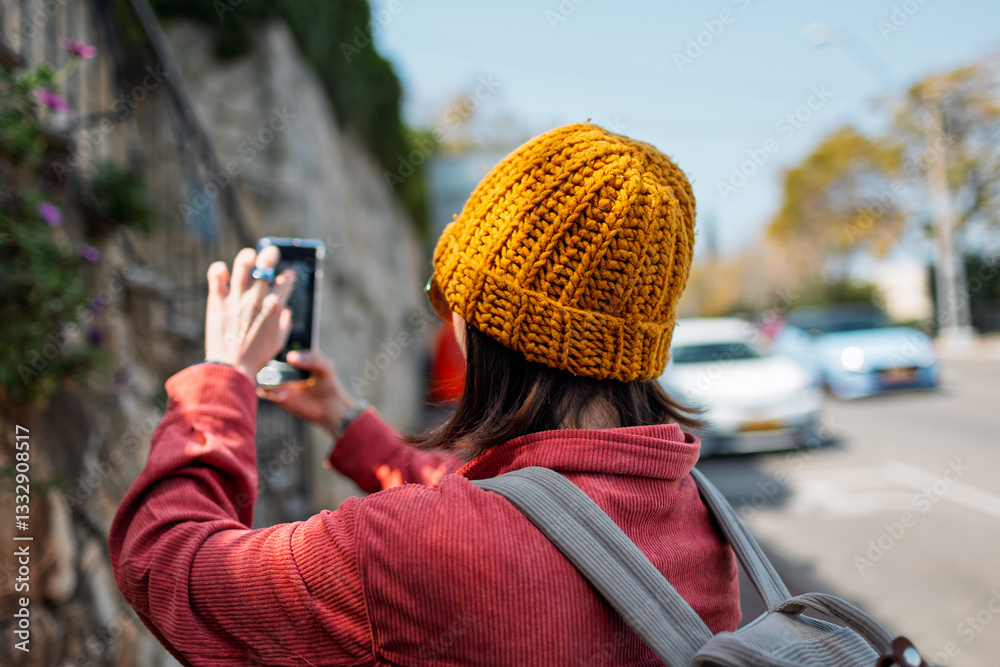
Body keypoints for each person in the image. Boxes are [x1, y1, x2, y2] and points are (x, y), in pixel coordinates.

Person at [110, 123, 741, 666]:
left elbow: (166, 566)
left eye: (452, 300)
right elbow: (528, 512)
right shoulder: (704, 522)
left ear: (493, 328)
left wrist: (223, 379)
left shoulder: (403, 551)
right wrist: (347, 420)